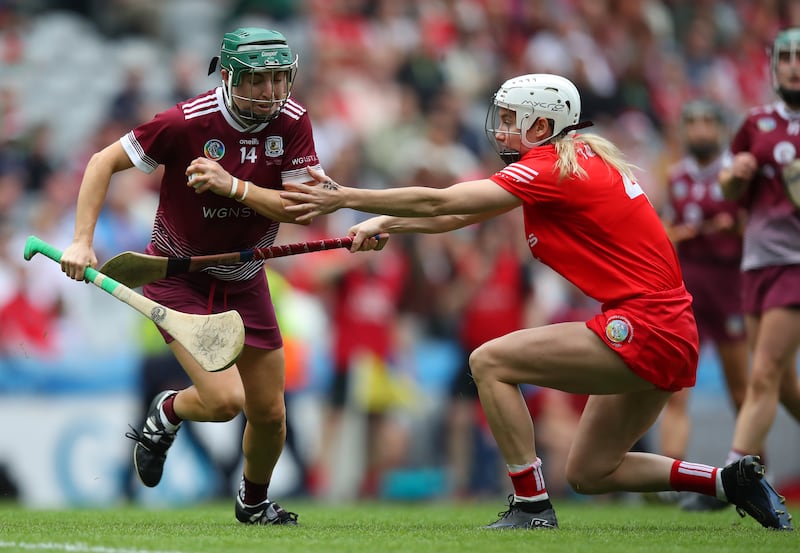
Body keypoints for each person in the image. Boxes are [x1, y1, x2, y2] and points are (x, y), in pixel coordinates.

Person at [279, 73, 793, 531]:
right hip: (668, 328)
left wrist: (343, 196)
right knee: (592, 471)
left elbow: (443, 201)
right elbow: (456, 216)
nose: (499, 131)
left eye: (511, 121)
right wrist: (387, 223)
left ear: (544, 127)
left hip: (645, 326)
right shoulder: (572, 161)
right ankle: (729, 482)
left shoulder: (551, 167)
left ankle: (530, 505)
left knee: (488, 361)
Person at [61, 27, 325, 525]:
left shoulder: (292, 121)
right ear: (228, 76)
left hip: (246, 276)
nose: (272, 92)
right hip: (178, 275)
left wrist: (234, 188)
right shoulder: (185, 122)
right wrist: (81, 240)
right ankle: (168, 412)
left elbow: (303, 208)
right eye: (259, 80)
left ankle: (253, 503)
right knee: (226, 401)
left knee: (270, 415)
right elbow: (102, 163)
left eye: (279, 79)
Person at [718, 28, 800, 485]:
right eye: (786, 57)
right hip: (756, 261)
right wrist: (737, 174)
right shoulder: (755, 123)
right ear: (774, 66)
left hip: (796, 263)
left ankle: (734, 478)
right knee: (784, 383)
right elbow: (728, 188)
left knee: (763, 372)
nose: (794, 65)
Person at [658, 99, 749, 511]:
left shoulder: (737, 174)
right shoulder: (675, 177)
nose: (698, 130)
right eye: (691, 122)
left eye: (706, 122)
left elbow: (757, 225)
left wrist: (735, 227)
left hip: (730, 285)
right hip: (689, 288)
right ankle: (667, 483)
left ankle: (751, 476)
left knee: (742, 389)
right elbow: (663, 230)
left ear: (720, 128)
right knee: (676, 389)